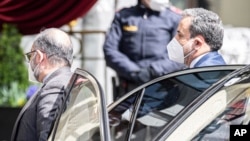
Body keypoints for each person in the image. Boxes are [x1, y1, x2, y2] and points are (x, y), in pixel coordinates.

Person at [103, 0, 186, 98]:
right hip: (129, 87)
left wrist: (152, 71)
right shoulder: (123, 16)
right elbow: (110, 49)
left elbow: (181, 53)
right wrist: (134, 72)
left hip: (162, 87)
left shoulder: (175, 18)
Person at [11, 28, 74, 141]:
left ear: (39, 56)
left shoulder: (56, 85)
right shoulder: (65, 80)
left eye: (30, 56)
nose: (30, 62)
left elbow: (48, 136)